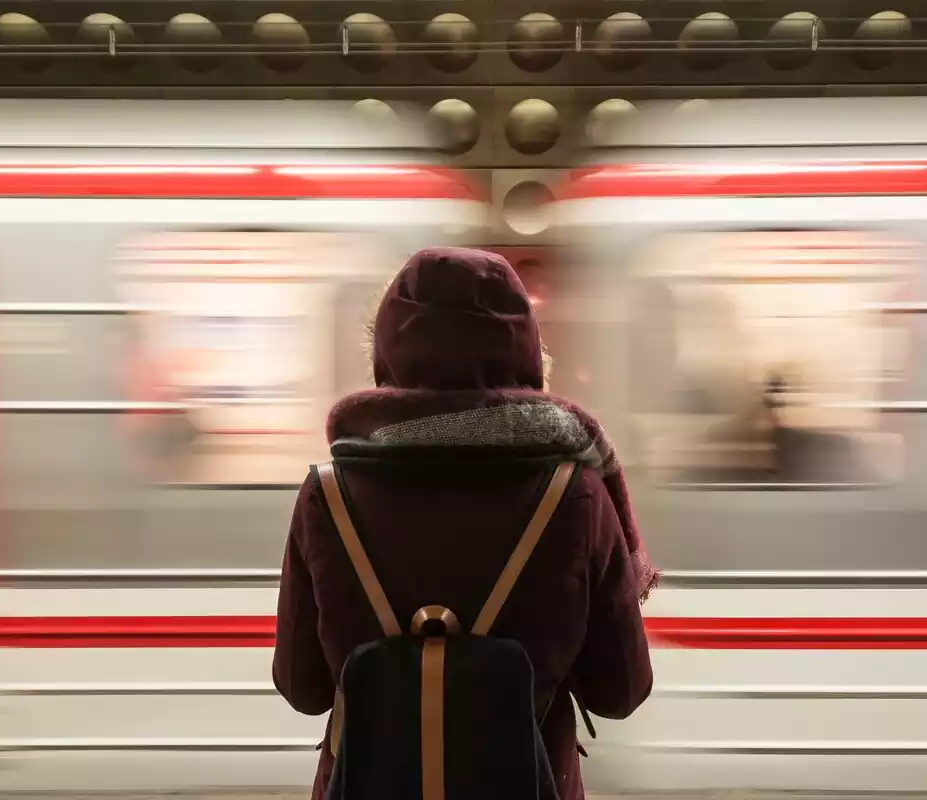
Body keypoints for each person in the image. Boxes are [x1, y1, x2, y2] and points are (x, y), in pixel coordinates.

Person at [273, 247, 657, 800]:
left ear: (388, 353)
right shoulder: (576, 494)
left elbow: (302, 687)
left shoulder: (327, 495)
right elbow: (621, 690)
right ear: (526, 351)